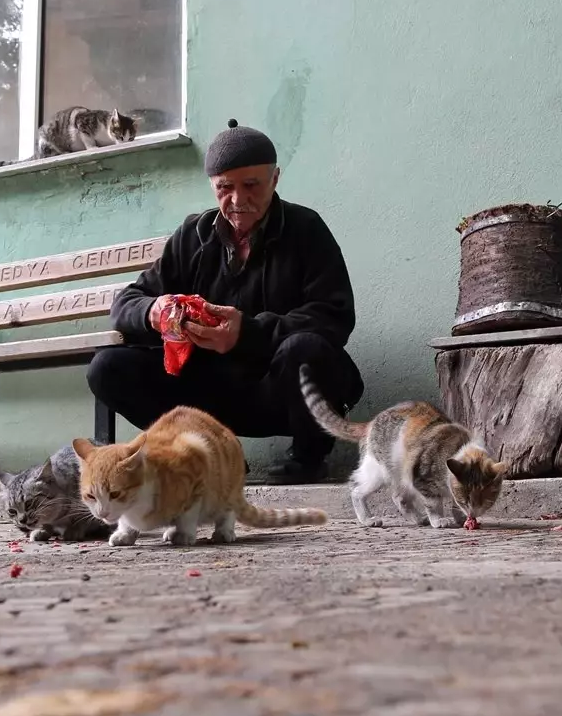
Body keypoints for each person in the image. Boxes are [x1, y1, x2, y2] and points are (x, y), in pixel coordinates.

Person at [86, 119, 364, 484]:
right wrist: (154, 311)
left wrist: (246, 333)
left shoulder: (306, 229)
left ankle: (308, 458)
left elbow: (334, 317)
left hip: (273, 388)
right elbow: (126, 303)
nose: (237, 200)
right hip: (208, 393)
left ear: (275, 179)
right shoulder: (192, 235)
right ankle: (213, 456)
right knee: (107, 367)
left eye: (251, 186)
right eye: (224, 188)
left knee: (307, 349)